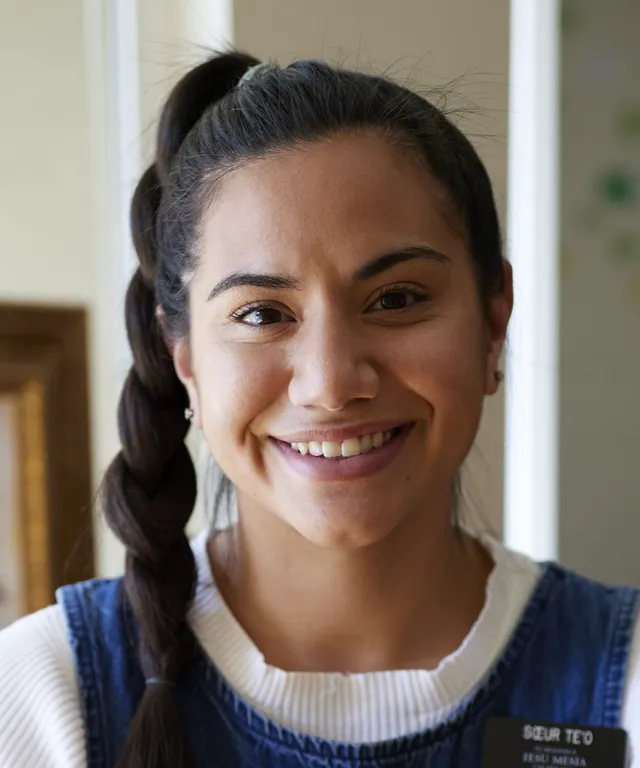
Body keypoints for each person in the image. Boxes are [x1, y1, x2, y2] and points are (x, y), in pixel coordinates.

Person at [0, 51, 639, 768]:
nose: (331, 384)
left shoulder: (626, 686)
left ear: (494, 323)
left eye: (396, 299)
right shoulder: (41, 697)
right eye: (262, 313)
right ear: (184, 359)